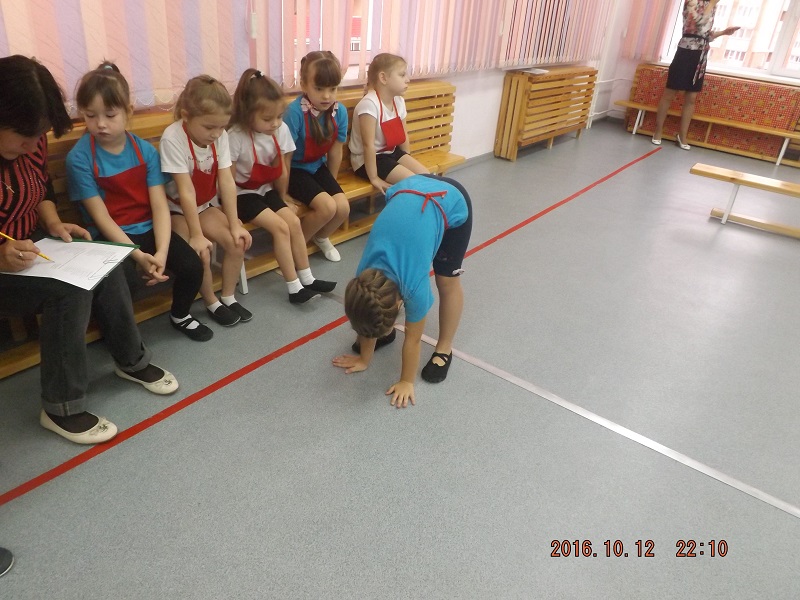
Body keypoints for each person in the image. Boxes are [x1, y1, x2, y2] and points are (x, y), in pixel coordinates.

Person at [0, 55, 178, 444]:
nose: (32, 144)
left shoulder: (30, 142)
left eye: (38, 135)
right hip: (4, 260)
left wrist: (53, 222)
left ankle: (132, 361)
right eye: (24, 136)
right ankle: (61, 407)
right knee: (69, 291)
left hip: (30, 241)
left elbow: (42, 190)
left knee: (102, 260)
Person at [66, 62, 211, 341]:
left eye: (110, 115)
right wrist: (136, 255)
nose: (100, 124)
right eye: (90, 115)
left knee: (192, 266)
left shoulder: (144, 151)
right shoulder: (79, 158)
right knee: (122, 283)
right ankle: (117, 335)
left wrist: (162, 252)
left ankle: (180, 314)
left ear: (128, 111)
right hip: (108, 235)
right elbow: (101, 218)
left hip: (147, 227)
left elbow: (159, 207)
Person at [332, 174, 472, 408]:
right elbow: (366, 307)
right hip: (409, 190)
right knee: (368, 325)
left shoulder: (413, 287)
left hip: (449, 199)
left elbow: (413, 340)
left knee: (446, 281)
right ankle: (381, 332)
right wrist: (364, 359)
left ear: (400, 305)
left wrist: (407, 381)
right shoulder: (363, 277)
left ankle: (444, 347)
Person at [228, 68, 336, 304]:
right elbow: (228, 179)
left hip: (265, 189)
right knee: (280, 228)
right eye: (268, 119)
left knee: (293, 222)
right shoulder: (235, 136)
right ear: (247, 113)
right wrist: (231, 215)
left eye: (279, 117)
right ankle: (293, 287)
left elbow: (283, 169)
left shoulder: (280, 130)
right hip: (241, 196)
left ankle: (307, 278)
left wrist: (283, 196)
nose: (275, 123)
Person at [160, 75, 253, 327]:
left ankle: (228, 297)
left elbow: (226, 182)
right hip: (176, 210)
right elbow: (185, 191)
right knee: (199, 252)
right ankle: (211, 302)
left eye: (221, 127)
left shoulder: (220, 137)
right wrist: (196, 234)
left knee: (236, 242)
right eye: (209, 127)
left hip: (204, 205)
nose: (216, 134)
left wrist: (234, 223)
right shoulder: (172, 138)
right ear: (186, 116)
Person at [284, 51, 349, 262]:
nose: (327, 96)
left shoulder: (339, 112)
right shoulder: (294, 113)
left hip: (317, 168)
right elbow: (284, 157)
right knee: (327, 207)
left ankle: (321, 237)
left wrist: (331, 184)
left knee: (342, 207)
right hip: (294, 171)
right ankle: (296, 248)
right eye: (319, 89)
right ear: (304, 85)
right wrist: (282, 193)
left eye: (332, 89)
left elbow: (336, 151)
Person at [651, 0, 739, 150]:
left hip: (701, 55)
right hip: (685, 52)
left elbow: (705, 35)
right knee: (670, 93)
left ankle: (682, 136)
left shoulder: (711, 5)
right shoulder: (692, 2)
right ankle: (658, 131)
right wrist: (711, 5)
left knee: (691, 97)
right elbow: (697, 24)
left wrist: (724, 32)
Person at [349, 53, 428, 193]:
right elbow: (368, 145)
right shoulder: (369, 104)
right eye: (402, 75)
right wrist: (374, 178)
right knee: (414, 183)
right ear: (383, 78)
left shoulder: (398, 100)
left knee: (427, 177)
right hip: (368, 160)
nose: (408, 80)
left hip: (390, 152)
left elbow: (403, 134)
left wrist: (406, 159)